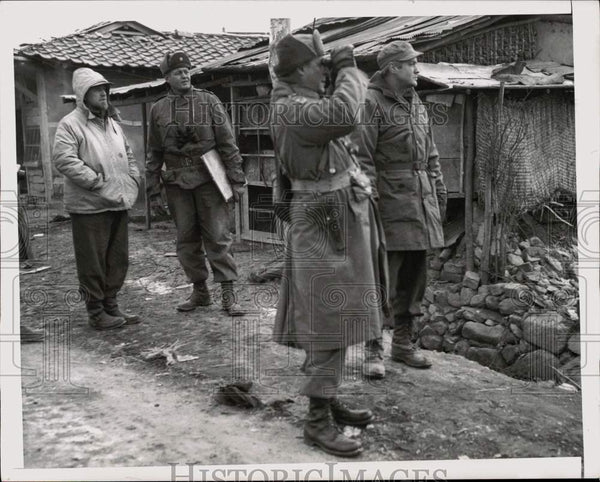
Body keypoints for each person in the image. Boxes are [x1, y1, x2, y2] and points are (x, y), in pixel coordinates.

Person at [270, 31, 388, 457]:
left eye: (326, 66)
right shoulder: (292, 108)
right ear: (301, 70)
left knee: (337, 316)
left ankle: (328, 398)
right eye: (318, 66)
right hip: (322, 217)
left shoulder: (299, 104)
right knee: (328, 319)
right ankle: (316, 421)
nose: (323, 71)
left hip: (331, 213)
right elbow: (346, 112)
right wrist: (347, 65)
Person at [353, 41, 447, 375]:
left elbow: (431, 154)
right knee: (382, 279)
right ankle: (373, 351)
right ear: (393, 68)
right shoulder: (370, 103)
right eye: (411, 64)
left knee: (414, 278)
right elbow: (361, 160)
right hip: (389, 206)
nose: (417, 69)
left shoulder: (416, 102)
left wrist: (438, 191)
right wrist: (371, 204)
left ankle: (403, 346)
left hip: (420, 205)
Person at [146, 51, 246, 315]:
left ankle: (228, 293)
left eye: (187, 70)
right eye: (178, 72)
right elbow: (154, 152)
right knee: (186, 239)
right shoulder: (158, 108)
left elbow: (228, 144)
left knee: (218, 236)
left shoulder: (208, 101)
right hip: (177, 183)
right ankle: (200, 291)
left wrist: (236, 179)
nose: (185, 75)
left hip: (209, 179)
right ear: (167, 78)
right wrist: (153, 190)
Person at [53, 68, 141, 330]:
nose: (103, 93)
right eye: (96, 89)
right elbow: (64, 159)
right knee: (92, 261)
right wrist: (96, 182)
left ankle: (111, 306)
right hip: (89, 205)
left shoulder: (112, 123)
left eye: (105, 89)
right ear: (83, 94)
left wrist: (133, 179)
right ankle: (96, 313)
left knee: (117, 258)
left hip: (117, 201)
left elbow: (129, 154)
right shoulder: (70, 124)